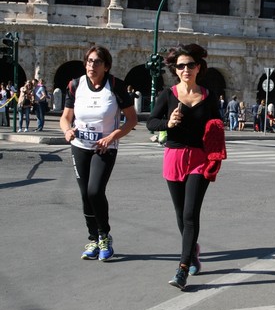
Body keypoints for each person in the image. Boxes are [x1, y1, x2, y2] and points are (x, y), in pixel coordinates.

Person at [146, 43, 225, 291]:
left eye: (191, 65)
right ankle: (193, 250)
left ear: (198, 67)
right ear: (175, 70)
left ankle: (182, 269)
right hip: (174, 156)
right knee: (180, 215)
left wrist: (215, 147)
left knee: (191, 214)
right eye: (181, 66)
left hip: (199, 160)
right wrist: (167, 123)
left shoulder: (208, 96)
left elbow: (217, 124)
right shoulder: (167, 95)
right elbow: (151, 122)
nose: (186, 69)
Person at [59, 46, 137, 262]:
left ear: (106, 66)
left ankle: (104, 236)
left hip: (105, 147)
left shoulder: (116, 86)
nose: (92, 66)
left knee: (95, 191)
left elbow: (131, 120)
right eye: (89, 61)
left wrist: (112, 137)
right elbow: (66, 117)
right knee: (85, 194)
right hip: (80, 145)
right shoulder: (75, 85)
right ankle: (93, 238)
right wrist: (67, 130)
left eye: (97, 62)